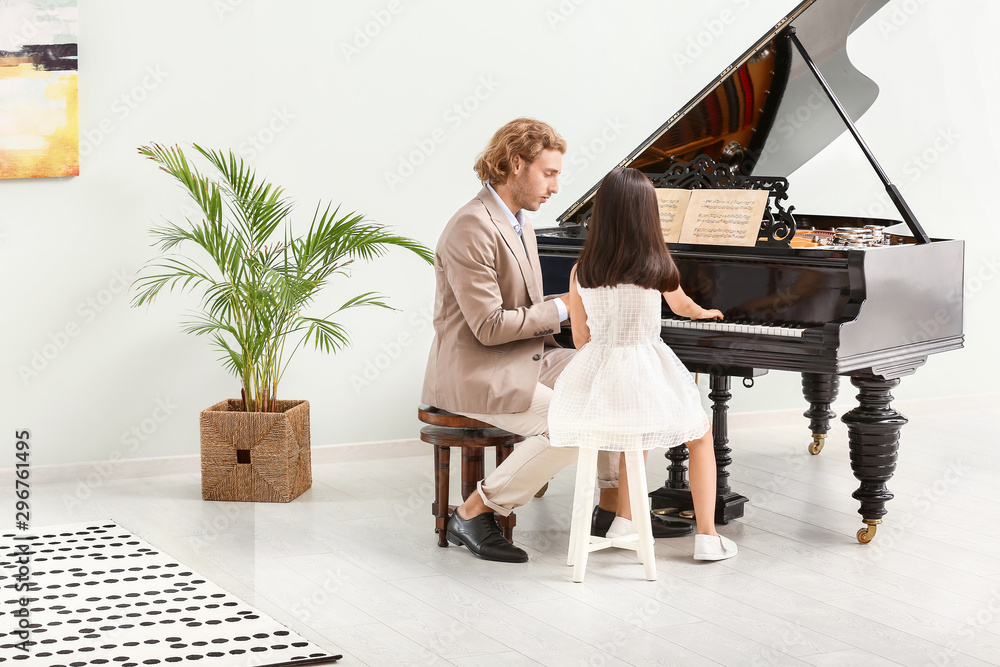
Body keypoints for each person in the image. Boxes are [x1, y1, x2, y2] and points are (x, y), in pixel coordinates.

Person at [423, 118, 688, 564]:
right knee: (574, 421)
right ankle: (474, 510)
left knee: (619, 382)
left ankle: (612, 510)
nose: (557, 187)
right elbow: (489, 326)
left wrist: (578, 307)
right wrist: (569, 305)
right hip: (477, 369)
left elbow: (525, 308)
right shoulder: (471, 226)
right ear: (513, 164)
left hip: (526, 356)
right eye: (549, 173)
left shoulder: (519, 221)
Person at [548, 167, 738, 561]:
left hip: (598, 370)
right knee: (700, 436)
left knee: (635, 434)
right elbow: (683, 307)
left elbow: (580, 335)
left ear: (602, 214)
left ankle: (625, 520)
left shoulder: (582, 269)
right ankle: (706, 536)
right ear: (647, 214)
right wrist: (704, 313)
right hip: (647, 362)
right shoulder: (656, 265)